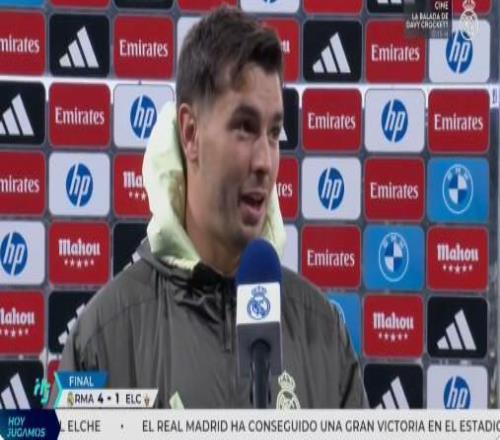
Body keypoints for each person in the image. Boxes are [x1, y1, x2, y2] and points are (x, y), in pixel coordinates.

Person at [53, 6, 367, 409]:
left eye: (274, 133)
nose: (265, 162)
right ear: (191, 133)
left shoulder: (323, 334)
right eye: (245, 128)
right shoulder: (103, 337)